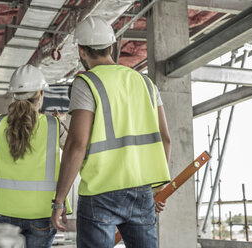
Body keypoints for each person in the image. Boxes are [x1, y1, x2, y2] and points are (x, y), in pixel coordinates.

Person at [51, 16, 172, 248]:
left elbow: (77, 144)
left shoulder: (86, 83)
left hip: (100, 192)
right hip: (141, 190)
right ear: (112, 46)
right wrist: (158, 187)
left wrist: (59, 201)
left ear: (81, 50)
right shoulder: (146, 83)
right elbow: (165, 139)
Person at [0, 64, 71, 248]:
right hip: (42, 212)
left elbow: (24, 127)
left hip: (5, 209)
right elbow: (74, 150)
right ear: (41, 95)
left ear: (14, 96)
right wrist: (59, 123)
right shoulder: (53, 126)